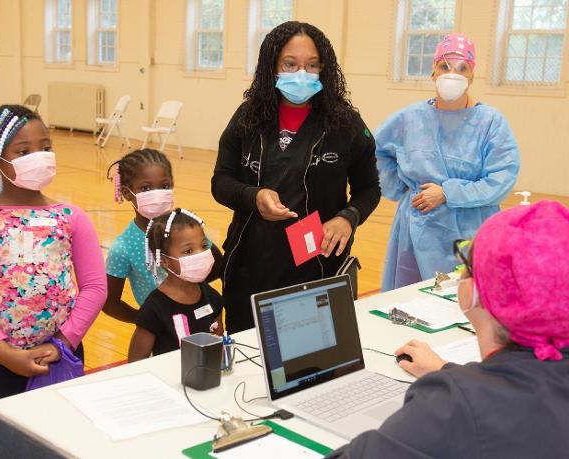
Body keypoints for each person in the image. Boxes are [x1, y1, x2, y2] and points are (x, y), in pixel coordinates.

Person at [326, 200, 569, 458]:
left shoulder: (455, 406)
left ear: (475, 292)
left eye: (465, 262)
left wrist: (455, 386)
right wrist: (447, 370)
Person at [212, 21, 381, 332]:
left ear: (324, 70)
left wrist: (348, 217)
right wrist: (254, 196)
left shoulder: (346, 125)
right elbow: (221, 182)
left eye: (312, 65)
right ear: (272, 67)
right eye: (290, 64)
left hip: (316, 265)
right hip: (251, 261)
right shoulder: (247, 118)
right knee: (249, 353)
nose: (301, 74)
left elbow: (369, 188)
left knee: (313, 356)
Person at [0, 105, 107, 402]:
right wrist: (3, 352)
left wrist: (63, 342)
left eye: (45, 147)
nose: (38, 157)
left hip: (61, 355)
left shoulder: (72, 216)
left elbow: (96, 288)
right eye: (23, 151)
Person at [375, 33, 520, 291]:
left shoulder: (490, 123)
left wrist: (448, 193)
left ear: (472, 76)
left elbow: (502, 178)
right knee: (411, 301)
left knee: (468, 302)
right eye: (444, 66)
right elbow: (376, 151)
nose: (452, 74)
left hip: (471, 231)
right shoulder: (410, 119)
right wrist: (404, 189)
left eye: (462, 68)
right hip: (417, 230)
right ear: (433, 72)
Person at [104, 149, 222, 323]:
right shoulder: (123, 247)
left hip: (202, 319)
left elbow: (218, 266)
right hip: (161, 337)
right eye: (146, 188)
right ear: (127, 193)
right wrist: (147, 320)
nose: (157, 193)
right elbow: (109, 303)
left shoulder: (187, 228)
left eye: (165, 186)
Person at [128, 209, 223, 361]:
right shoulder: (154, 308)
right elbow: (136, 360)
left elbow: (218, 342)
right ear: (165, 261)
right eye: (188, 251)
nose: (200, 254)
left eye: (204, 246)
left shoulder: (210, 295)